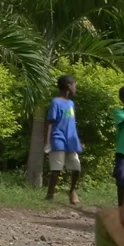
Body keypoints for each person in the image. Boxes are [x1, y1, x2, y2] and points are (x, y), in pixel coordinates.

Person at [45, 75, 82, 205]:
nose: (75, 87)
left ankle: (71, 191)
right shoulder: (56, 102)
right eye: (74, 85)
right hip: (58, 137)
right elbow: (50, 121)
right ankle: (50, 194)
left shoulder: (71, 103)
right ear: (68, 86)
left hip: (70, 140)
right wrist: (48, 141)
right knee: (56, 169)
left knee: (76, 168)